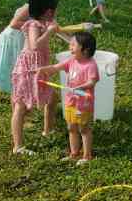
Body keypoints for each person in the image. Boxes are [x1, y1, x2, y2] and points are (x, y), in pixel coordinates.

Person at [10, 0, 60, 155]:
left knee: (53, 99)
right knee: (21, 106)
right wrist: (49, 32)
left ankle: (48, 131)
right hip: (28, 70)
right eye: (54, 9)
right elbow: (34, 46)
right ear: (48, 11)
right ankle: (18, 146)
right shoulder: (33, 25)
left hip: (39, 69)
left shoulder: (43, 23)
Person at [37, 32, 99, 166]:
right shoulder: (71, 61)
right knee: (71, 127)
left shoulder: (91, 65)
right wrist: (42, 69)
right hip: (70, 101)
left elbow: (92, 82)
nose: (70, 47)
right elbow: (55, 68)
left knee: (84, 129)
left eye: (73, 45)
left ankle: (87, 155)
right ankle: (74, 153)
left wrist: (81, 88)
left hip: (83, 104)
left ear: (85, 49)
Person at [0, 2, 30, 94]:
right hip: (13, 40)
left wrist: (70, 40)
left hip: (20, 39)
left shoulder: (47, 7)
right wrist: (36, 25)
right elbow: (14, 23)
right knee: (16, 78)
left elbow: (54, 27)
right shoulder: (31, 5)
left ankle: (19, 102)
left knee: (18, 81)